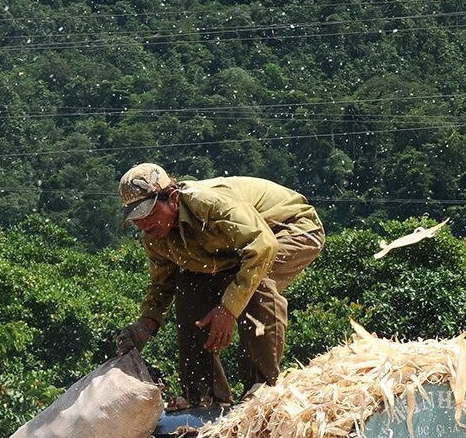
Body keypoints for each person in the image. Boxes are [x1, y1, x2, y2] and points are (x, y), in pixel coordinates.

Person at [114, 163, 326, 407]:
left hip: (291, 228)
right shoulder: (156, 238)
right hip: (237, 252)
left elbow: (263, 246)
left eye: (149, 214)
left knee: (256, 284)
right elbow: (164, 284)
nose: (145, 225)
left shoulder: (209, 205)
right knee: (189, 284)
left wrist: (228, 309)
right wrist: (146, 324)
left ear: (172, 197)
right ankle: (204, 396)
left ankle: (263, 386)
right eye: (137, 219)